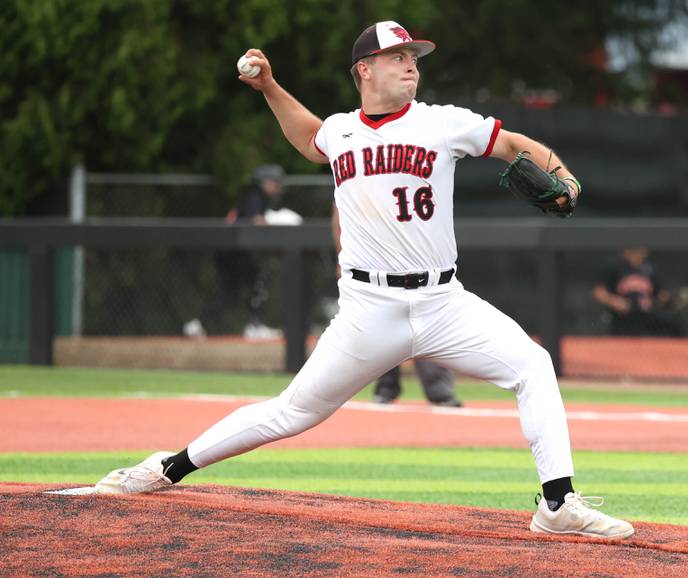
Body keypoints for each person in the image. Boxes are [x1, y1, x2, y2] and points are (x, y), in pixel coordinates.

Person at [95, 21, 633, 539]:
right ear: (364, 69)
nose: (410, 67)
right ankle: (167, 466)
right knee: (294, 411)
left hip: (443, 301)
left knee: (533, 365)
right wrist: (269, 87)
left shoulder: (442, 122)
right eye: (397, 57)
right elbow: (309, 137)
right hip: (368, 308)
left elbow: (514, 143)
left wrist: (563, 176)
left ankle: (558, 504)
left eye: (414, 58)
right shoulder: (341, 131)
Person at [332, 201, 462, 407]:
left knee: (430, 327)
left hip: (419, 266)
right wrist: (341, 254)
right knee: (380, 334)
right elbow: (339, 210)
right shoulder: (360, 179)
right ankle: (386, 388)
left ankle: (438, 390)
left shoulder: (414, 175)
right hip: (376, 271)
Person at [182, 164, 301, 340]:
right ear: (265, 182)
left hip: (231, 250)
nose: (278, 187)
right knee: (257, 280)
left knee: (231, 295)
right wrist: (277, 220)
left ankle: (196, 324)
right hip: (232, 251)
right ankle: (254, 326)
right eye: (275, 182)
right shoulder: (255, 196)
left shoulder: (254, 197)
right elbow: (256, 221)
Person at [593, 247, 685, 337]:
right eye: (634, 250)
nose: (638, 253)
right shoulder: (616, 267)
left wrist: (673, 299)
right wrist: (615, 301)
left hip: (645, 318)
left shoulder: (650, 270)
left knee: (672, 326)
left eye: (640, 250)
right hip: (622, 319)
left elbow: (659, 295)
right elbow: (599, 292)